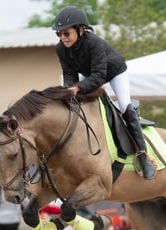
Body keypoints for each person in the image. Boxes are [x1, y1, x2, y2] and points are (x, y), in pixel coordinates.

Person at [52, 6, 156, 180]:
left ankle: (143, 155)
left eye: (66, 34)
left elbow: (99, 76)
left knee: (124, 106)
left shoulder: (94, 43)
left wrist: (77, 87)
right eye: (59, 34)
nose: (62, 38)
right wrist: (69, 90)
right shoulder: (61, 49)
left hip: (114, 72)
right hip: (89, 73)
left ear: (80, 29)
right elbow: (69, 74)